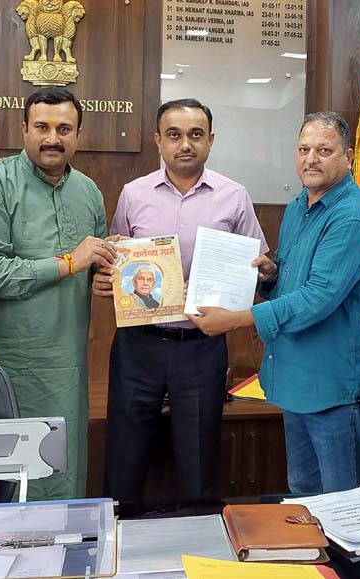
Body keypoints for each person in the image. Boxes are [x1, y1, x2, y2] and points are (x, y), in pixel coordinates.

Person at [188, 112, 360, 494]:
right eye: (303, 149)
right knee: (305, 497)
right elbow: (298, 279)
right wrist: (272, 274)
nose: (311, 158)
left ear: (349, 156)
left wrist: (235, 320)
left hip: (333, 390)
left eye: (324, 150)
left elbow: (317, 299)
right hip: (297, 384)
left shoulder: (353, 218)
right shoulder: (298, 206)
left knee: (348, 508)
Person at [95, 98, 268, 503]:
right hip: (140, 344)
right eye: (174, 135)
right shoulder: (133, 194)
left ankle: (200, 552)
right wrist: (109, 270)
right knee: (125, 455)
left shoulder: (234, 196)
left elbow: (258, 263)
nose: (184, 144)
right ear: (158, 140)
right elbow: (118, 257)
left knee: (199, 461)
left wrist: (257, 273)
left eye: (195, 135)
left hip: (201, 347)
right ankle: (120, 547)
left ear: (211, 140)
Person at [0, 87, 116, 500]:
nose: (52, 138)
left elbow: (90, 265)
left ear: (78, 134)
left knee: (64, 473)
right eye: (42, 127)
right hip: (9, 367)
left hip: (69, 366)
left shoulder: (89, 191)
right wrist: (68, 263)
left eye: (64, 128)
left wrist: (102, 276)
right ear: (24, 130)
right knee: (13, 482)